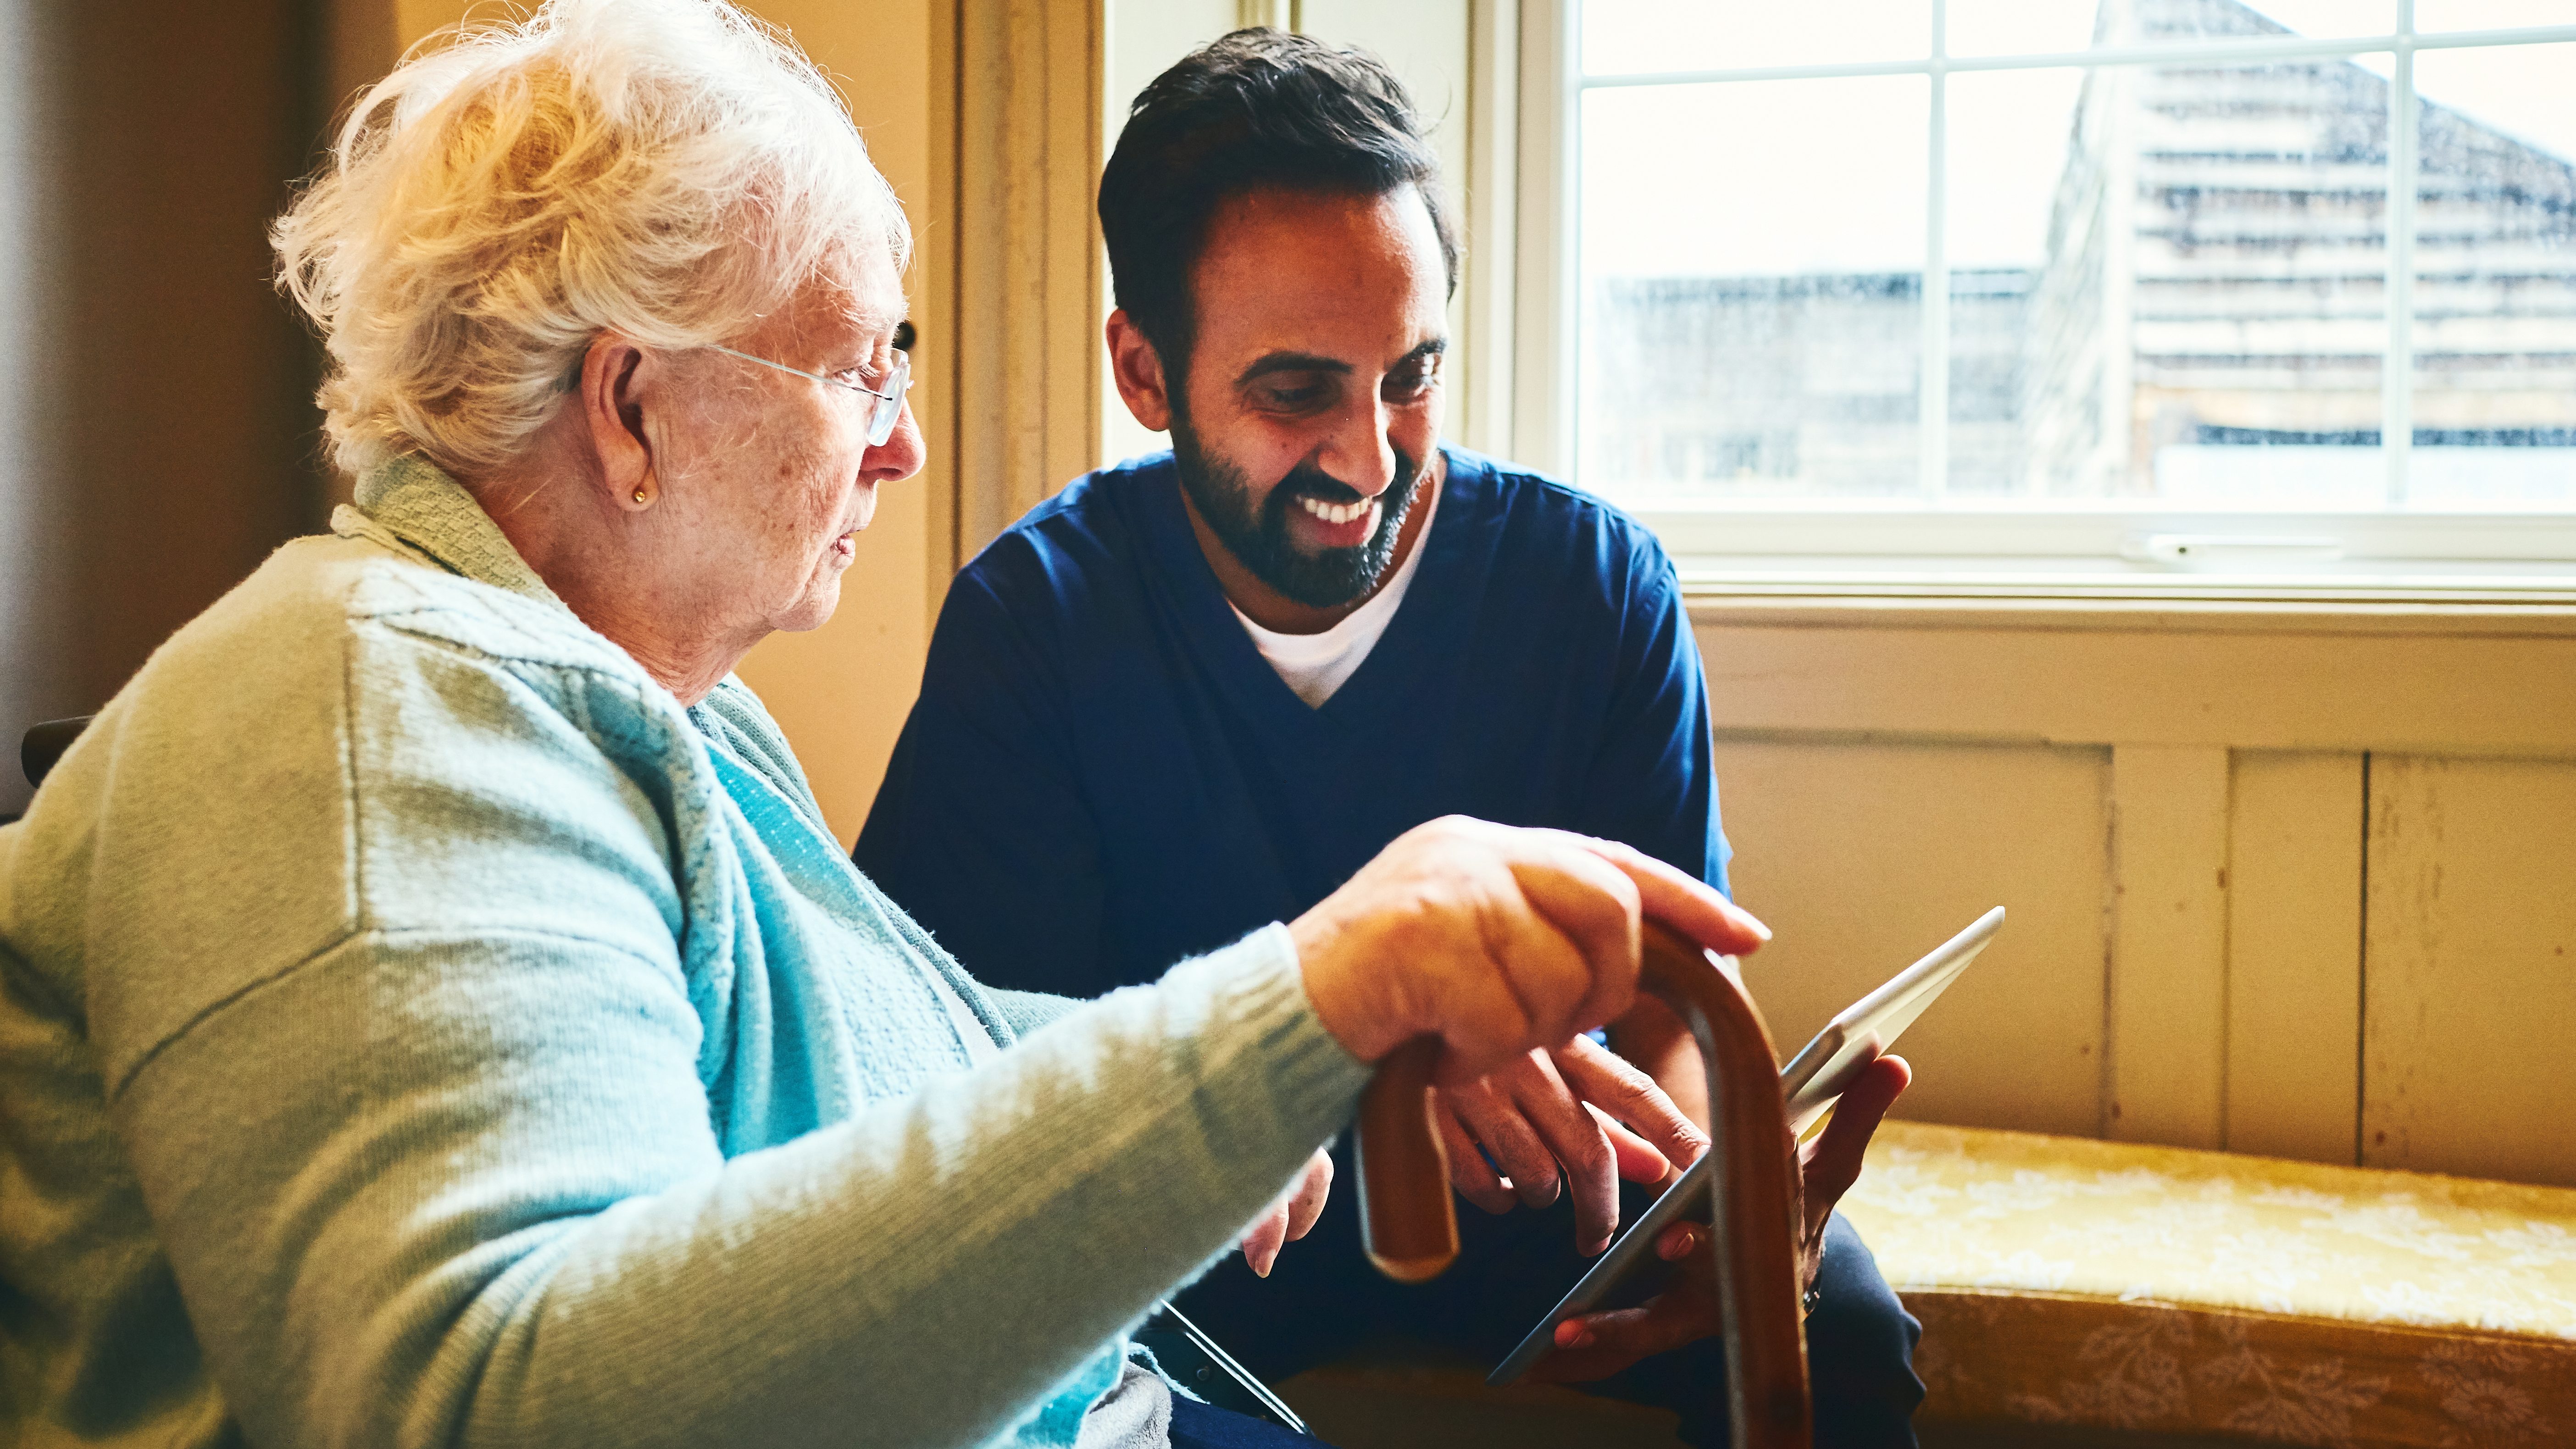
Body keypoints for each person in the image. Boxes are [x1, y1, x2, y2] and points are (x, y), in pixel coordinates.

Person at [0, 5, 1898, 1447]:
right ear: (634, 407)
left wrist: (1332, 1053)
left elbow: (903, 1057)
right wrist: (1310, 998)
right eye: (856, 367)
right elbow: (506, 1402)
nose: (902, 443)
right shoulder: (369, 713)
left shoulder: (662, 720)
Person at [855, 28, 1925, 1447]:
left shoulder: (1594, 587)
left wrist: (1707, 1194)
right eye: (1297, 391)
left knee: (1836, 1328)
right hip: (1210, 1231)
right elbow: (956, 1063)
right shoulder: (1038, 622)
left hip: (1538, 1206)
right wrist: (1369, 1064)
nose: (1371, 457)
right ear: (1145, 373)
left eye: (1411, 375)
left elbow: (1671, 1009)